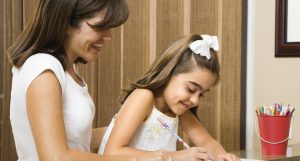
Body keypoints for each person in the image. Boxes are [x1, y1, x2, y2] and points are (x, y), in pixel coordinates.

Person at [7, 0, 170, 161]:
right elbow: (55, 157)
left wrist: (131, 128)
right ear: (67, 23)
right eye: (100, 27)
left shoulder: (67, 71)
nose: (108, 36)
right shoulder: (43, 66)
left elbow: (77, 139)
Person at [98, 34, 241, 161]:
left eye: (201, 94)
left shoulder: (178, 110)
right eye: (190, 89)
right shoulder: (143, 97)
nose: (195, 100)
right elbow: (112, 154)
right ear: (169, 73)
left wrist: (221, 156)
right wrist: (176, 157)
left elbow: (208, 143)